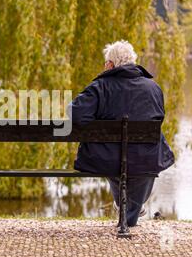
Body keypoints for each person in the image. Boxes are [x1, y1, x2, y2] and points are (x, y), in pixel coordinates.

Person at [68, 40, 175, 227]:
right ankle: (131, 212)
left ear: (110, 65)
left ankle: (128, 211)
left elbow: (74, 114)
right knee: (146, 156)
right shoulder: (153, 88)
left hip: (108, 156)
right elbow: (159, 118)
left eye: (105, 63)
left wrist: (97, 120)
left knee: (114, 154)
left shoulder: (100, 87)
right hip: (145, 157)